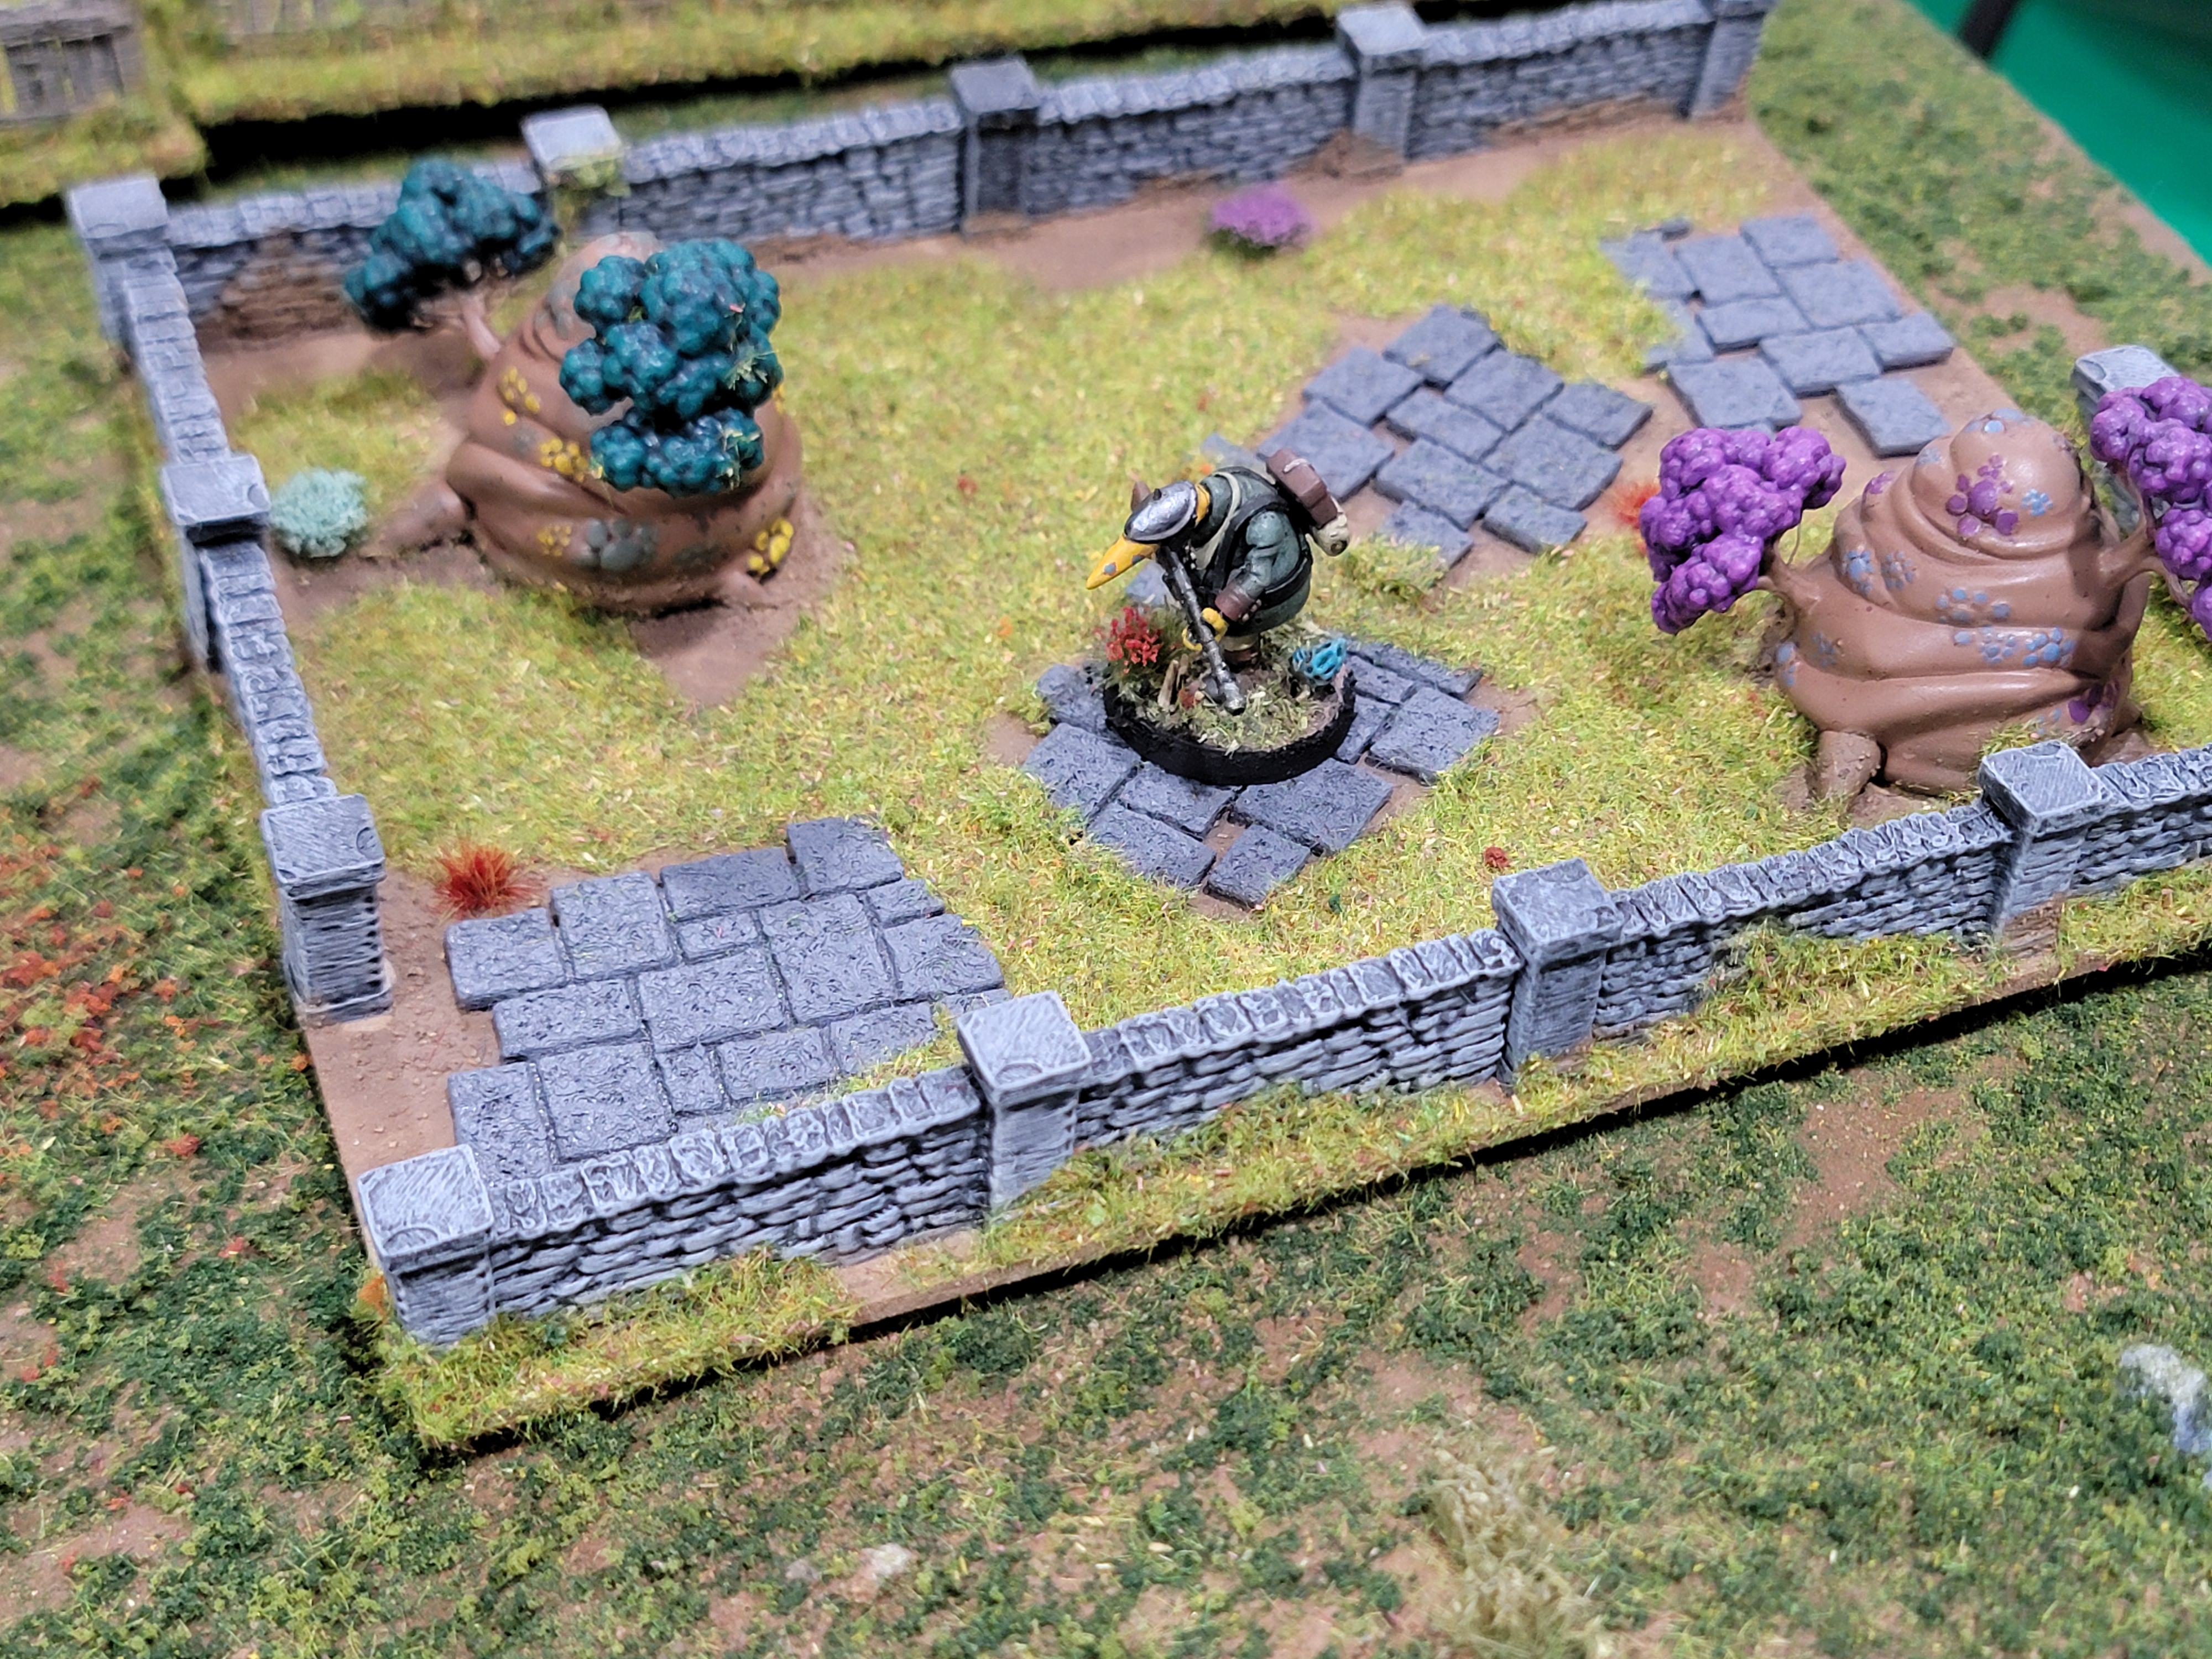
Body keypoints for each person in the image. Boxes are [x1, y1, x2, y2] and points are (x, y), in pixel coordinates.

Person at [1088, 454, 1350, 660]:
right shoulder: (1212, 491)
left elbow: (1257, 578)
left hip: (1275, 592)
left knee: (1237, 634)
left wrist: (1221, 616)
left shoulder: (1265, 525)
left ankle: (1244, 663)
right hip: (1237, 565)